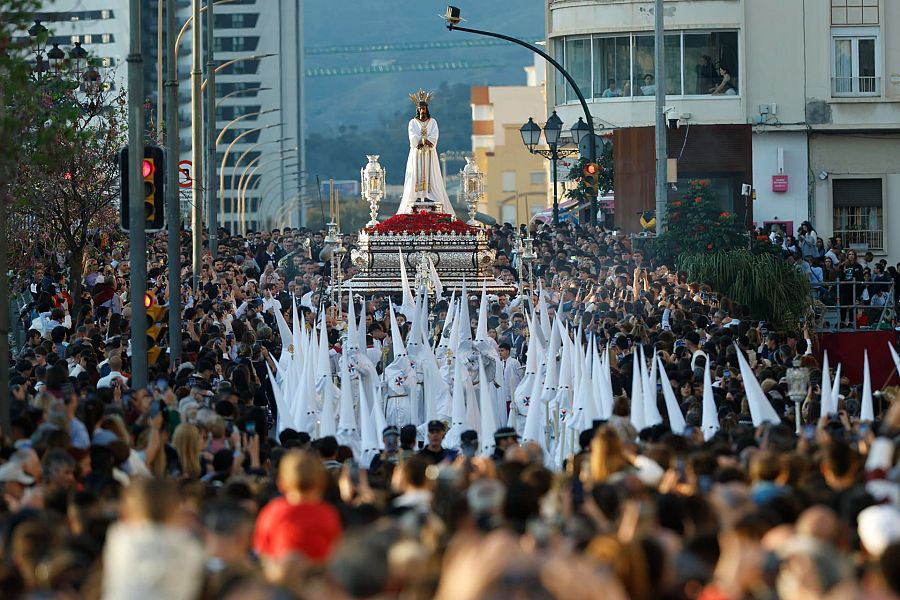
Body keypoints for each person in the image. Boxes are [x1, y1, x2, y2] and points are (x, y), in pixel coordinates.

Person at [397, 89, 454, 215]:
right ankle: (417, 194)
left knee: (429, 172)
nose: (422, 111)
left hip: (428, 152)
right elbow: (412, 136)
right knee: (416, 172)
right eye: (420, 109)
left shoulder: (432, 122)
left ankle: (429, 194)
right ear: (417, 109)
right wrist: (420, 141)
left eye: (423, 108)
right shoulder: (412, 122)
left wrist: (427, 141)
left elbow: (435, 135)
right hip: (417, 153)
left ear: (426, 109)